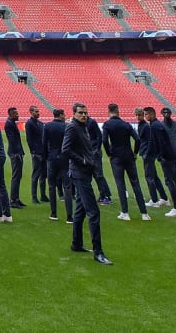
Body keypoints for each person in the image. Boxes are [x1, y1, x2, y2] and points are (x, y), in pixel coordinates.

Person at [64, 103, 112, 265]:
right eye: (80, 113)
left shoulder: (83, 126)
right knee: (93, 212)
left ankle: (76, 243)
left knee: (80, 211)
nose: (84, 115)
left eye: (85, 113)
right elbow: (66, 150)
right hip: (79, 173)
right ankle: (98, 252)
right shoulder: (72, 128)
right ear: (74, 114)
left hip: (85, 172)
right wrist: (83, 161)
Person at [101, 103, 149, 221]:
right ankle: (144, 213)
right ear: (118, 111)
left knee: (120, 184)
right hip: (128, 156)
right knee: (135, 183)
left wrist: (109, 153)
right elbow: (137, 139)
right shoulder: (126, 124)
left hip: (116, 157)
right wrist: (135, 153)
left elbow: (104, 140)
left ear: (109, 111)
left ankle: (125, 213)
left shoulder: (107, 125)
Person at [144, 107, 176, 217]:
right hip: (170, 155)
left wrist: (158, 156)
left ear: (151, 114)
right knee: (175, 181)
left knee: (170, 182)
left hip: (167, 157)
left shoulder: (155, 126)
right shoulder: (158, 125)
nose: (145, 117)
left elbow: (159, 143)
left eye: (146, 114)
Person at [136, 106, 168, 209]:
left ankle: (154, 200)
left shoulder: (148, 126)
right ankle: (164, 198)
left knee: (149, 176)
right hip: (148, 152)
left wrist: (147, 153)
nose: (140, 117)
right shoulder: (146, 125)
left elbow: (150, 141)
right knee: (154, 176)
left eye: (142, 115)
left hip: (148, 153)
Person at [45, 108, 70, 222]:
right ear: (60, 115)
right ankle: (69, 216)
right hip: (64, 158)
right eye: (64, 114)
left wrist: (47, 157)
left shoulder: (48, 126)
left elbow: (44, 143)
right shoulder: (66, 127)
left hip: (52, 158)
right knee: (67, 187)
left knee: (51, 186)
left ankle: (53, 213)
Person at [86, 114, 113, 205]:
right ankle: (103, 195)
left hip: (94, 151)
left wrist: (97, 149)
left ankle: (106, 196)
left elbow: (99, 136)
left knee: (98, 174)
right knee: (95, 174)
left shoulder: (91, 122)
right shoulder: (82, 123)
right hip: (87, 151)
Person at [25, 105, 48, 204]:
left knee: (44, 174)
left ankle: (43, 195)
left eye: (38, 111)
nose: (38, 113)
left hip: (43, 151)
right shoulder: (29, 123)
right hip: (36, 152)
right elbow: (29, 139)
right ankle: (34, 196)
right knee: (36, 174)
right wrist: (33, 151)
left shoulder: (40, 123)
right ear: (31, 112)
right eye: (36, 111)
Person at [5, 107, 26, 209]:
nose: (18, 115)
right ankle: (13, 200)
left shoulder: (11, 123)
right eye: (16, 114)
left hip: (17, 152)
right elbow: (12, 140)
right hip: (15, 153)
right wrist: (17, 153)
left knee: (18, 176)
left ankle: (16, 198)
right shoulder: (9, 124)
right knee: (16, 176)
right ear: (11, 114)